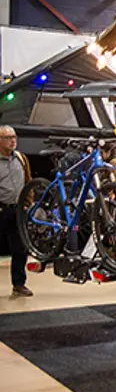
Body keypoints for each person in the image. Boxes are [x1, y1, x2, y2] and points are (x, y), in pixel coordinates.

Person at [0, 125, 33, 298]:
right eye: (8, 138)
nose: (12, 141)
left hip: (18, 210)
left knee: (20, 249)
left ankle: (19, 285)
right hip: (1, 209)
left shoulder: (21, 158)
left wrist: (28, 202)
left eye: (14, 137)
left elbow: (28, 180)